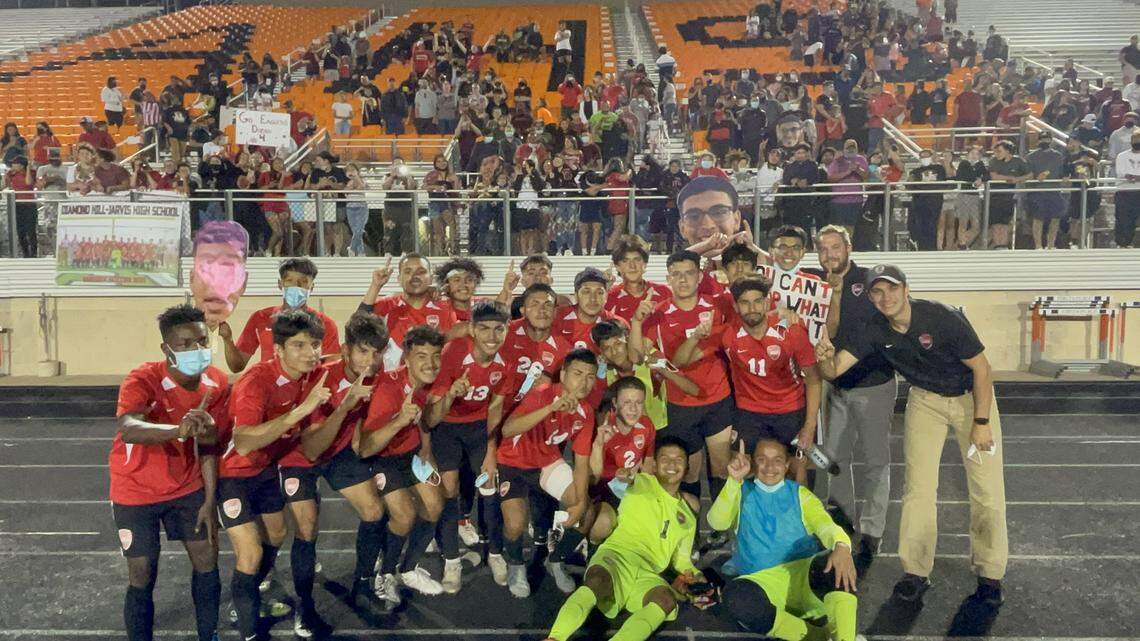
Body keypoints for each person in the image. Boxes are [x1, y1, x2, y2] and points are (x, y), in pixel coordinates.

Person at [814, 264, 1007, 607]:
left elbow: (982, 368)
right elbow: (834, 369)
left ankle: (990, 575)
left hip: (970, 401)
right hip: (925, 400)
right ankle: (916, 572)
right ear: (871, 296)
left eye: (891, 289)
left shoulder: (941, 317)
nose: (884, 297)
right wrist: (824, 358)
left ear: (906, 289)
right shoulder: (873, 327)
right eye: (877, 291)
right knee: (918, 489)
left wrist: (981, 421)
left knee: (987, 490)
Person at [113, 305, 225, 641]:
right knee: (142, 571)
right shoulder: (143, 378)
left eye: (202, 341)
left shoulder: (215, 383)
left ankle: (210, 635)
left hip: (186, 487)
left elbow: (208, 446)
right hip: (135, 490)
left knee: (207, 557)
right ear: (167, 349)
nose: (196, 349)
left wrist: (209, 500)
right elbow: (128, 427)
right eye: (186, 343)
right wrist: (176, 430)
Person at [218, 309, 330, 640]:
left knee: (277, 535)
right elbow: (243, 442)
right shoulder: (256, 381)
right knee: (250, 553)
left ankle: (249, 595)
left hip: (265, 473)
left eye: (314, 344)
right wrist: (300, 411)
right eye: (299, 345)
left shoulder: (312, 374)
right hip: (233, 474)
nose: (310, 352)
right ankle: (248, 626)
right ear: (278, 348)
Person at [541, 437, 704, 641]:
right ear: (653, 464)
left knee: (666, 598)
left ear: (687, 466)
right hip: (616, 557)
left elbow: (682, 560)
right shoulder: (641, 482)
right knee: (597, 580)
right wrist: (622, 478)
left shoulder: (687, 515)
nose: (672, 464)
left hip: (647, 573)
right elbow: (619, 486)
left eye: (679, 459)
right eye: (665, 458)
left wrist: (696, 577)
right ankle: (555, 637)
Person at [284, 313, 392, 619]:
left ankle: (363, 583)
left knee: (374, 512)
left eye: (377, 352)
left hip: (339, 451)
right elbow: (311, 447)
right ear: (346, 350)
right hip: (300, 456)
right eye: (363, 351)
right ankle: (304, 607)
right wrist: (345, 406)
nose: (371, 359)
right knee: (306, 527)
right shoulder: (320, 378)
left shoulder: (376, 373)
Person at [673, 275, 821, 484]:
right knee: (741, 470)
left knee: (797, 472)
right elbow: (680, 361)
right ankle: (748, 516)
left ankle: (801, 516)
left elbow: (814, 380)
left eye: (757, 301)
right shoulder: (728, 334)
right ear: (735, 305)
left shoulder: (791, 329)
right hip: (750, 412)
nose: (752, 308)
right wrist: (696, 336)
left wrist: (809, 426)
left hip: (790, 409)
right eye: (744, 302)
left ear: (767, 302)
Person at [629, 250, 733, 547]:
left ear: (700, 276)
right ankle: (688, 535)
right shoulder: (658, 313)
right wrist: (636, 323)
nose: (683, 279)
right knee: (689, 469)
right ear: (668, 278)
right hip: (680, 404)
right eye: (676, 274)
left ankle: (722, 529)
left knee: (721, 466)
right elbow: (637, 356)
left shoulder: (717, 306)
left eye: (689, 273)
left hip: (717, 399)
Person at [805, 226, 896, 565]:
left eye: (835, 247)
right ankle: (842, 516)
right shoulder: (814, 282)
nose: (830, 254)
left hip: (874, 384)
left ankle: (872, 531)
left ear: (848, 247)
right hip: (835, 387)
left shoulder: (871, 280)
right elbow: (777, 266)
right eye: (823, 249)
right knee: (834, 458)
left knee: (875, 460)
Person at [715, 438, 858, 641]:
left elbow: (826, 525)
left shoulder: (800, 494)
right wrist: (733, 480)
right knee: (736, 597)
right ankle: (817, 637)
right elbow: (717, 522)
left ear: (787, 464)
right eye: (762, 459)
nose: (770, 467)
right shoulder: (740, 491)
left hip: (805, 580)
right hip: (764, 585)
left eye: (777, 460)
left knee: (840, 562)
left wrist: (842, 546)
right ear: (753, 463)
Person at [356, 325, 449, 605]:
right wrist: (399, 421)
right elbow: (366, 448)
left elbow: (423, 420)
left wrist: (426, 448)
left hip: (410, 456)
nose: (430, 363)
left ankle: (408, 569)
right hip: (381, 460)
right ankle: (385, 572)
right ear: (406, 358)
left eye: (435, 356)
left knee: (435, 505)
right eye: (421, 356)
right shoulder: (388, 387)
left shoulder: (424, 383)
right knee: (405, 515)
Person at [424, 300, 512, 592]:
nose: (491, 336)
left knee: (490, 484)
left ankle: (496, 553)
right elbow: (433, 417)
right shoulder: (453, 354)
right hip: (447, 427)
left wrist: (490, 449)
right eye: (484, 328)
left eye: (499, 329)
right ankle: (451, 560)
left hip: (478, 428)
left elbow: (496, 407)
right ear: (472, 329)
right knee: (448, 489)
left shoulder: (507, 361)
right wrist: (450, 395)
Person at [498, 348, 599, 598]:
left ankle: (555, 559)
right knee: (516, 523)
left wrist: (580, 501)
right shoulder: (542, 394)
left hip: (546, 463)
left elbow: (582, 463)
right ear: (563, 375)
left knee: (584, 510)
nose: (583, 382)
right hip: (513, 462)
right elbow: (508, 430)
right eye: (577, 374)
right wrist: (550, 408)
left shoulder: (586, 412)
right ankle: (515, 564)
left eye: (590, 376)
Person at [220, 258, 341, 373]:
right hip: (268, 391)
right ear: (280, 284)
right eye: (290, 281)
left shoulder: (326, 324)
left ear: (312, 287)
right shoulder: (260, 318)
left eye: (303, 282)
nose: (296, 286)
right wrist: (227, 339)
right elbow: (237, 367)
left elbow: (331, 368)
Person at [361, 254, 459, 353]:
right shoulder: (387, 305)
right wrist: (376, 285)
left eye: (421, 271)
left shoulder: (446, 308)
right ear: (399, 279)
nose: (414, 276)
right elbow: (357, 327)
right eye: (408, 272)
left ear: (431, 278)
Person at [605, 237, 673, 323]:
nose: (632, 266)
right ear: (617, 267)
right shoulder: (609, 296)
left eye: (637, 260)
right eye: (625, 260)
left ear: (644, 264)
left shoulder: (664, 292)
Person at [1025, 134, 1067, 249]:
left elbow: (1062, 172)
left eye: (1047, 139)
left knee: (1056, 218)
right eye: (1042, 139)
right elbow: (1027, 175)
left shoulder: (1058, 156)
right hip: (1037, 191)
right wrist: (1035, 178)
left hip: (1054, 190)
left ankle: (1051, 244)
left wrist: (1065, 178)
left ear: (1051, 140)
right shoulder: (1031, 156)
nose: (1045, 141)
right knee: (1038, 218)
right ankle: (1038, 245)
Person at [986, 141, 1029, 249]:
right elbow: (993, 176)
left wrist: (1017, 179)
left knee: (1005, 222)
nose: (997, 154)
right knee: (996, 222)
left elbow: (1029, 174)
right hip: (995, 195)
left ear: (1008, 151)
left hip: (1009, 195)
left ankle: (1003, 244)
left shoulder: (1018, 161)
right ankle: (997, 245)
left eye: (999, 151)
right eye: (995, 152)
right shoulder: (993, 161)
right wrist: (1008, 178)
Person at [906, 149, 950, 251]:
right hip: (920, 202)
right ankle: (922, 248)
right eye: (922, 157)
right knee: (921, 226)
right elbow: (910, 186)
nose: (925, 159)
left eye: (927, 156)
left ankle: (932, 248)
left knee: (933, 225)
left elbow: (944, 181)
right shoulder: (915, 172)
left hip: (934, 201)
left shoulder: (939, 168)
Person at [1115, 129, 1140, 247]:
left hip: (1138, 191)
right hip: (1125, 191)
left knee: (1135, 218)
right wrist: (1131, 176)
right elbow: (1120, 172)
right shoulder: (1122, 156)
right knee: (1123, 218)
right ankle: (1122, 242)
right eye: (1135, 140)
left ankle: (1132, 242)